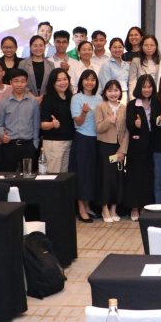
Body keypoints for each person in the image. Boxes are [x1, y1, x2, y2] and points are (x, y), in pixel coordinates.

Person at [125, 74, 161, 207]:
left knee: (150, 177)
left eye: (149, 87)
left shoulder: (157, 103)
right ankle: (134, 207)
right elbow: (129, 125)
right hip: (137, 147)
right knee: (135, 176)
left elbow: (158, 123)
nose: (147, 90)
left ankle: (147, 206)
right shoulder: (132, 104)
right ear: (139, 87)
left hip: (153, 145)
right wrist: (136, 125)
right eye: (144, 87)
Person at [69, 69, 101, 221]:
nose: (90, 82)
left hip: (97, 139)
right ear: (81, 81)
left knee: (91, 174)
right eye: (87, 79)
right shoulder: (76, 98)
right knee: (81, 174)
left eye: (93, 79)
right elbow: (78, 122)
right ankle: (81, 208)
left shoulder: (99, 98)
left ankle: (88, 206)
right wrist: (84, 112)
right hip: (82, 139)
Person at [94, 80, 128, 223]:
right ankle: (104, 208)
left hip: (118, 148)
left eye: (116, 90)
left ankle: (114, 208)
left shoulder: (124, 108)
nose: (113, 93)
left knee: (117, 178)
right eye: (110, 90)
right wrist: (108, 120)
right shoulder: (100, 106)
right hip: (105, 147)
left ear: (120, 92)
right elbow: (98, 128)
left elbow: (127, 131)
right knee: (105, 177)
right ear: (105, 93)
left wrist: (123, 151)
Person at [0, 69, 41, 174]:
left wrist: (35, 144)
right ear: (10, 82)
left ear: (26, 82)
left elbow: (36, 124)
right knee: (7, 176)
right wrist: (1, 135)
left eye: (22, 81)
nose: (19, 84)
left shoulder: (33, 102)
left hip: (28, 145)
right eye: (16, 81)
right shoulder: (3, 103)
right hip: (9, 145)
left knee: (28, 176)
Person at [39, 68, 75, 174]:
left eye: (65, 79)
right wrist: (52, 124)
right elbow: (43, 124)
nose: (62, 82)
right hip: (54, 143)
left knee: (64, 176)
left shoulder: (70, 98)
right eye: (58, 80)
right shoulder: (48, 99)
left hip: (69, 141)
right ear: (53, 82)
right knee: (53, 175)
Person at [98, 38, 131, 103]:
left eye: (120, 47)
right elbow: (106, 86)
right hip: (111, 97)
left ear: (123, 48)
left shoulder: (127, 65)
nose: (117, 50)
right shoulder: (106, 65)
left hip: (126, 97)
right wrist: (114, 96)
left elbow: (129, 84)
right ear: (110, 49)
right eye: (114, 47)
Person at [128, 34, 161, 99]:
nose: (149, 48)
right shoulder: (136, 61)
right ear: (142, 46)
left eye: (152, 45)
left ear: (156, 46)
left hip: (155, 96)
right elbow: (132, 82)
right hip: (139, 96)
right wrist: (132, 98)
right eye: (146, 45)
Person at [18, 35, 50, 101]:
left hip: (46, 100)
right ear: (30, 47)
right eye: (35, 46)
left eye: (41, 45)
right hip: (27, 99)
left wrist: (42, 97)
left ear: (44, 47)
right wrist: (32, 97)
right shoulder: (22, 64)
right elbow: (20, 82)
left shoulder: (50, 64)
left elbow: (52, 83)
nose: (38, 48)